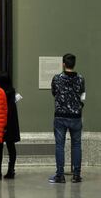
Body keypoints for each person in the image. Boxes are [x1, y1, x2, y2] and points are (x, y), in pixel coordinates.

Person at [49, 54, 85, 184]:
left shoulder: (57, 78)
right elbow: (82, 95)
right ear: (74, 64)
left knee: (60, 146)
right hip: (76, 116)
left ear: (63, 64)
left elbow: (54, 93)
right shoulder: (81, 79)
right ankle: (76, 175)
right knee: (76, 145)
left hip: (60, 116)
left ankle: (60, 175)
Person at [0, 72, 20, 179]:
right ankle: (11, 169)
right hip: (11, 122)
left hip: (2, 121)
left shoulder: (0, 93)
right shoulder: (12, 92)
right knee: (11, 147)